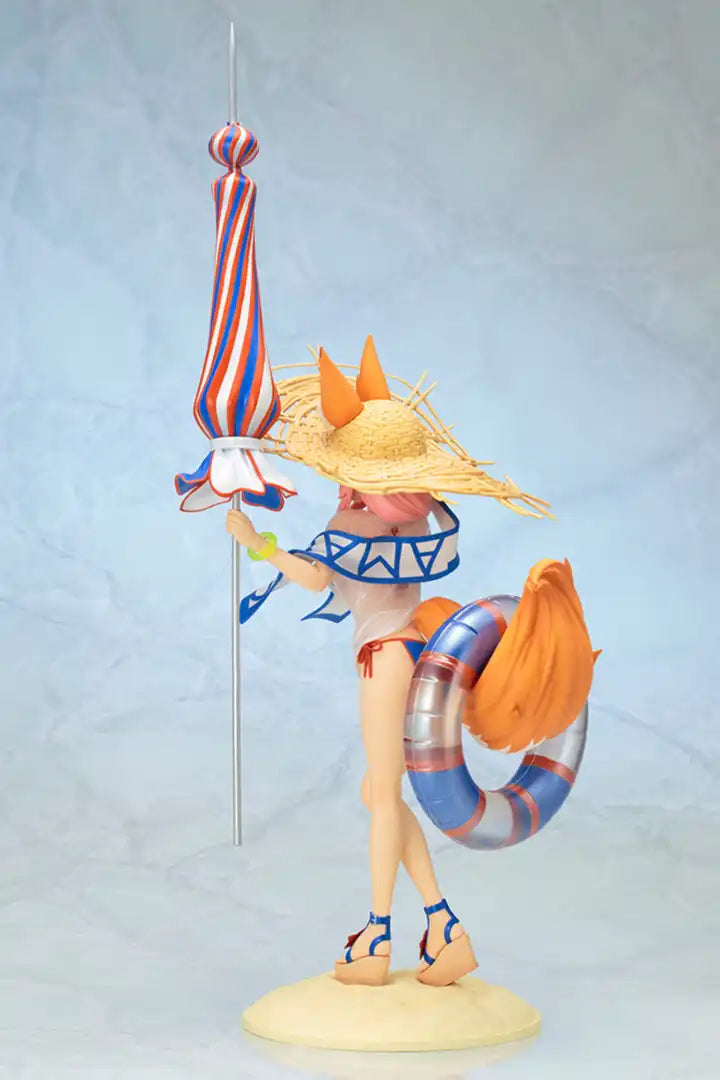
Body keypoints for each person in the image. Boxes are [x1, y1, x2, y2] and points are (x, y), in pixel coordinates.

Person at [226, 337, 593, 986]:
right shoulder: (418, 522)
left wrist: (256, 542)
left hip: (384, 660)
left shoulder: (354, 529)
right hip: (415, 650)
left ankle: (377, 936)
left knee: (384, 798)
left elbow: (313, 578)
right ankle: (443, 926)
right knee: (379, 793)